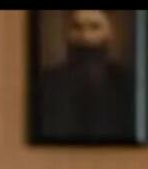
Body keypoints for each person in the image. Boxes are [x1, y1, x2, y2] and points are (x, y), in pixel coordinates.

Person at [37, 10, 135, 141]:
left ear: (110, 34)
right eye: (77, 27)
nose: (85, 37)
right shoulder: (47, 82)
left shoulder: (129, 83)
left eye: (94, 27)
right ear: (67, 34)